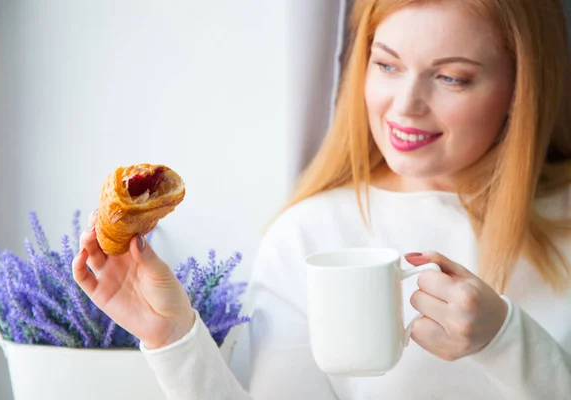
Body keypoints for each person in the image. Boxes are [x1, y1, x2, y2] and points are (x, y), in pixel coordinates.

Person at [72, 0, 571, 398]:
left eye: (451, 77)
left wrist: (507, 341)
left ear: (521, 84)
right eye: (387, 64)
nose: (405, 106)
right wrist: (173, 339)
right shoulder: (309, 235)